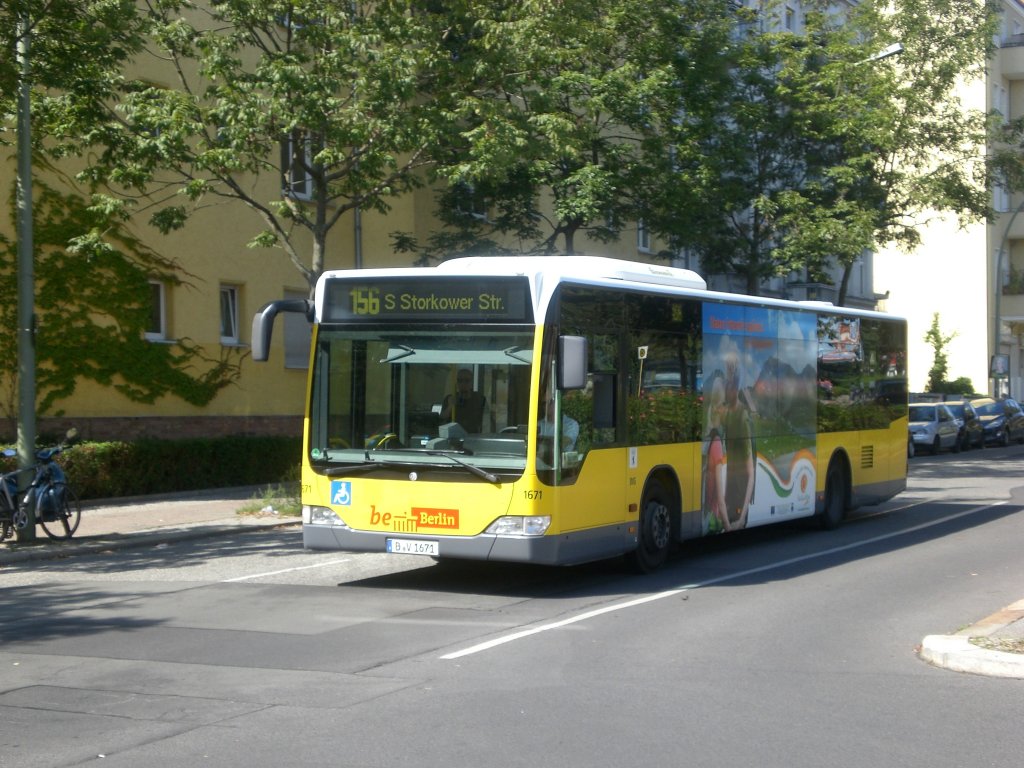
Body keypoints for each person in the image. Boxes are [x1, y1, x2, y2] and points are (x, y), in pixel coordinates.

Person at [703, 378, 731, 533]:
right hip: (713, 523)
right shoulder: (717, 444)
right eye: (725, 404)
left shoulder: (709, 438)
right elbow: (720, 500)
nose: (727, 409)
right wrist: (728, 526)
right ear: (718, 408)